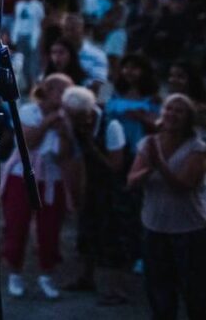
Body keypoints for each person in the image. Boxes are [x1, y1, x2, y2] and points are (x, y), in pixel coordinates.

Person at [128, 93, 206, 319]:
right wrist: (149, 168)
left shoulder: (198, 149)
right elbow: (131, 181)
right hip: (154, 228)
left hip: (189, 230)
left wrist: (159, 163)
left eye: (179, 110)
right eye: (169, 109)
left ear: (188, 118)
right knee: (159, 292)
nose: (172, 114)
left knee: (195, 293)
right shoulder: (149, 143)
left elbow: (184, 185)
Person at [2, 73, 75, 300]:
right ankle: (15, 273)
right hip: (22, 175)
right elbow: (27, 143)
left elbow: (64, 155)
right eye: (62, 91)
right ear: (49, 91)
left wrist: (65, 133)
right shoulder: (27, 111)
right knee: (17, 224)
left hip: (52, 178)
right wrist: (48, 122)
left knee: (50, 228)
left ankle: (47, 275)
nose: (65, 98)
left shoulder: (67, 117)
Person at [62, 85, 133, 305]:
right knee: (87, 231)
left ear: (86, 113)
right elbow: (80, 160)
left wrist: (92, 146)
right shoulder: (77, 125)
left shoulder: (111, 126)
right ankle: (87, 277)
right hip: (93, 185)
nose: (70, 120)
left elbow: (116, 166)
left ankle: (118, 289)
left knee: (114, 237)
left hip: (115, 189)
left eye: (74, 116)